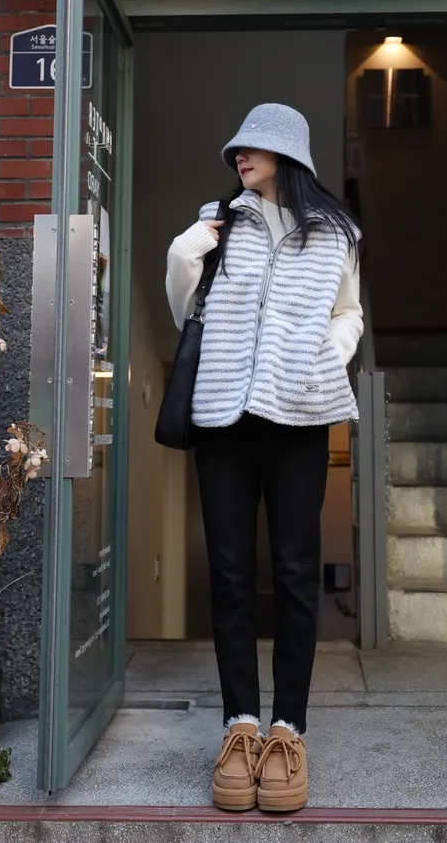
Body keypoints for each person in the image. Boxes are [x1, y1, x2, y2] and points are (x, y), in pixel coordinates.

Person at [165, 103, 363, 813]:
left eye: (251, 147)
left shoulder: (336, 233)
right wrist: (184, 252)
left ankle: (289, 731)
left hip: (300, 419)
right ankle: (241, 726)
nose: (238, 157)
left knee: (296, 573)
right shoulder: (218, 221)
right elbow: (185, 310)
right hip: (223, 417)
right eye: (236, 151)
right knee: (229, 573)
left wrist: (325, 356)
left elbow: (349, 313)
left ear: (287, 154)